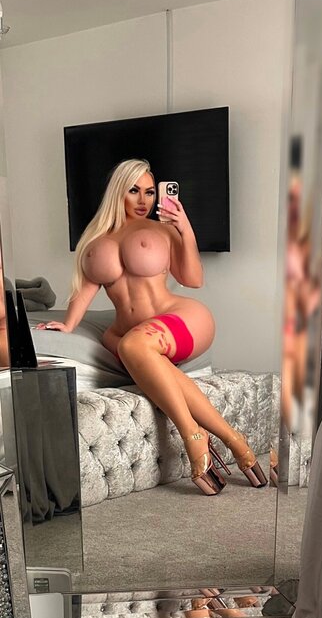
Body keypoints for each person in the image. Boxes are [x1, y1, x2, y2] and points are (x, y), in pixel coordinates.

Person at [37, 159, 267, 495]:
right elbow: (85, 289)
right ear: (118, 192)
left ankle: (192, 435)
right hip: (134, 335)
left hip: (181, 319)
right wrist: (68, 324)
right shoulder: (95, 240)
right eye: (134, 191)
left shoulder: (164, 230)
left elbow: (193, 279)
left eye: (149, 191)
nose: (143, 199)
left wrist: (185, 229)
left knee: (132, 345)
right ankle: (235, 440)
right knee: (131, 346)